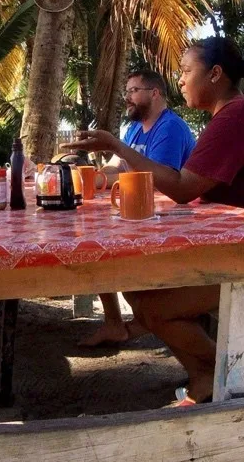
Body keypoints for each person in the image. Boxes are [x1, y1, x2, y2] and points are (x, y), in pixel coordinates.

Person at [63, 37, 244, 405]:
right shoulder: (229, 116)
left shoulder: (239, 116)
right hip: (242, 252)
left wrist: (116, 147)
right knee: (137, 283)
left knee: (154, 308)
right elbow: (196, 192)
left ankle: (222, 375)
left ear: (216, 74)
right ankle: (204, 375)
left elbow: (181, 187)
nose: (179, 80)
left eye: (186, 71)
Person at [79, 69, 196, 348]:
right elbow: (116, 168)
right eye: (127, 91)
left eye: (134, 91)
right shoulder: (133, 128)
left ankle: (147, 319)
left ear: (155, 93)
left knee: (109, 253)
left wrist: (105, 175)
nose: (127, 97)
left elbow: (156, 181)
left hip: (171, 220)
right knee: (93, 241)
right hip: (140, 213)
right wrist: (91, 178)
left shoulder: (169, 128)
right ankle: (114, 323)